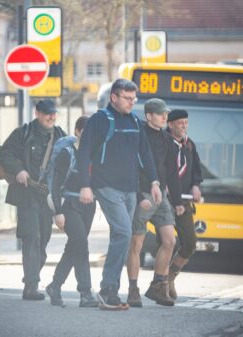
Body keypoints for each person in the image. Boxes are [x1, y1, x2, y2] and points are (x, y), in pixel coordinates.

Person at [74, 79, 161, 310]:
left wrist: (153, 181)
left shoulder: (134, 121)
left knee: (121, 236)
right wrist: (85, 184)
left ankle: (111, 289)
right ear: (114, 97)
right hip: (106, 186)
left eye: (134, 99)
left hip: (130, 190)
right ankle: (107, 289)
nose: (132, 103)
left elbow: (145, 154)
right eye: (127, 98)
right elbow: (83, 154)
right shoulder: (99, 120)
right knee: (123, 232)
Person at [0, 99, 66, 300]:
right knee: (32, 238)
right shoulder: (23, 133)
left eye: (54, 114)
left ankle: (31, 277)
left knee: (43, 241)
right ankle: (31, 286)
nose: (52, 117)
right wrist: (18, 169)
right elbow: (4, 154)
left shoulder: (60, 135)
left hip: (47, 197)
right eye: (48, 114)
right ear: (37, 113)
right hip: (27, 195)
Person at [124, 98, 177, 308]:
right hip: (143, 196)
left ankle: (157, 286)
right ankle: (133, 289)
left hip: (160, 197)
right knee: (136, 243)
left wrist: (177, 200)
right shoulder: (139, 136)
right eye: (160, 113)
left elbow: (171, 172)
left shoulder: (166, 138)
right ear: (148, 116)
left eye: (166, 113)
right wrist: (138, 197)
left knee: (170, 240)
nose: (165, 117)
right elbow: (131, 168)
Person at [43, 116, 100, 308]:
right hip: (69, 204)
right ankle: (85, 292)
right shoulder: (67, 153)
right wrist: (58, 212)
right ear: (77, 131)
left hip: (89, 207)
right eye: (85, 132)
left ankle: (54, 285)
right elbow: (56, 184)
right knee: (81, 244)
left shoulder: (95, 155)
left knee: (74, 246)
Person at [159, 109, 203, 303]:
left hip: (184, 201)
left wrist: (195, 186)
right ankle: (160, 286)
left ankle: (171, 276)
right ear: (170, 125)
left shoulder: (190, 145)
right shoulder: (163, 142)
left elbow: (196, 170)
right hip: (165, 200)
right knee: (168, 242)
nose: (184, 126)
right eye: (180, 123)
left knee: (190, 243)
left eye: (186, 122)